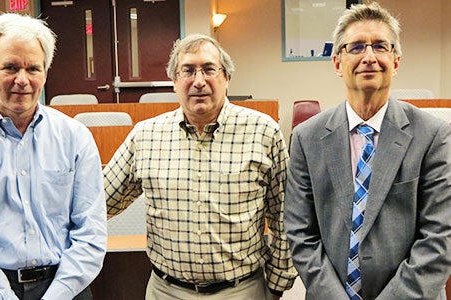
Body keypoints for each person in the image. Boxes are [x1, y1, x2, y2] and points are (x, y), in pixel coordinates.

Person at [103, 33, 297, 299]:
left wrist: (276, 285)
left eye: (208, 69)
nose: (199, 81)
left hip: (240, 291)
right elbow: (99, 202)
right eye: (188, 71)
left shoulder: (263, 132)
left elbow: (285, 215)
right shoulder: (145, 136)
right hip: (166, 291)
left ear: (226, 78)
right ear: (174, 82)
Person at [284, 2, 451, 300]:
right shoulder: (306, 138)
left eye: (380, 46)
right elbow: (301, 233)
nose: (369, 57)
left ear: (396, 61)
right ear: (337, 63)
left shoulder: (433, 135)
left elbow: (440, 236)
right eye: (357, 47)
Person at [0, 13, 107, 299]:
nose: (22, 80)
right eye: (10, 67)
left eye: (33, 68)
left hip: (65, 287)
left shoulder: (75, 138)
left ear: (45, 73)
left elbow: (90, 233)